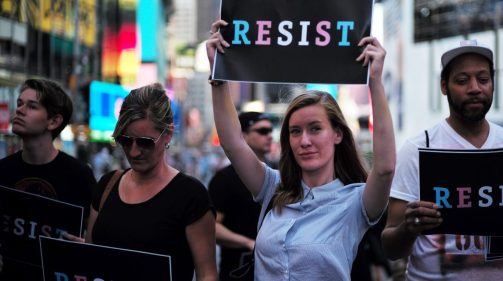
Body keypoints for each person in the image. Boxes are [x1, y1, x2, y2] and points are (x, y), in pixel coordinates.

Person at [206, 19, 396, 281]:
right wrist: (218, 74)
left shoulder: (355, 201)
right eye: (295, 131)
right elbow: (233, 143)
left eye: (315, 129)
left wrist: (375, 81)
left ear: (338, 134)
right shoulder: (273, 187)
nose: (304, 141)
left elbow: (385, 169)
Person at [380, 40, 503, 280]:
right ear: (444, 86)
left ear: (493, 84)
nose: (475, 88)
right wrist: (409, 228)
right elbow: (390, 248)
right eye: (462, 80)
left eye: (483, 79)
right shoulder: (418, 149)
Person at [66, 83, 217, 281]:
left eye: (145, 142)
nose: (134, 151)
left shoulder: (190, 195)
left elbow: (208, 275)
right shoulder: (108, 184)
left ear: (168, 135)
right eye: (126, 141)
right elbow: (92, 254)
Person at [0, 78, 96, 280]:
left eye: (32, 106)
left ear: (54, 121)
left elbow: (98, 239)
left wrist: (88, 249)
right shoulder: (3, 170)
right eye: (19, 104)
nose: (20, 110)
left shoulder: (78, 175)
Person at [208, 112, 273, 281]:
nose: (269, 136)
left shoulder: (280, 174)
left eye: (270, 130)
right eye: (262, 131)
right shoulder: (224, 178)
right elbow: (211, 227)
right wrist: (247, 243)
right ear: (243, 135)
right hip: (238, 269)